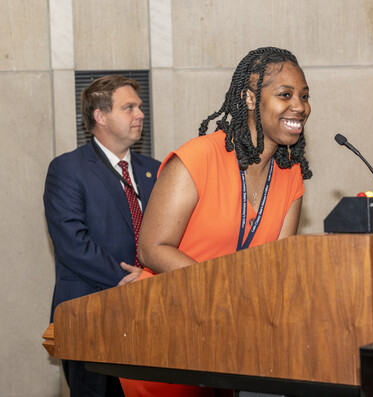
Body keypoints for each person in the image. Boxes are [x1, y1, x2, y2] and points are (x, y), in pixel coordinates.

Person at [119, 47, 312, 396]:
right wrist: (226, 295)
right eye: (285, 94)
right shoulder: (198, 158)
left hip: (234, 342)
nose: (299, 106)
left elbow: (279, 266)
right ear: (250, 98)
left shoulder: (290, 175)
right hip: (165, 336)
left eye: (304, 96)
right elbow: (151, 248)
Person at [43, 75, 161, 396]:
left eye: (139, 107)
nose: (140, 114)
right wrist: (134, 281)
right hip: (90, 317)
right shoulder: (68, 169)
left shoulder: (157, 170)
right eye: (129, 107)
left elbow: (170, 236)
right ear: (100, 116)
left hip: (151, 316)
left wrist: (150, 276)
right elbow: (73, 244)